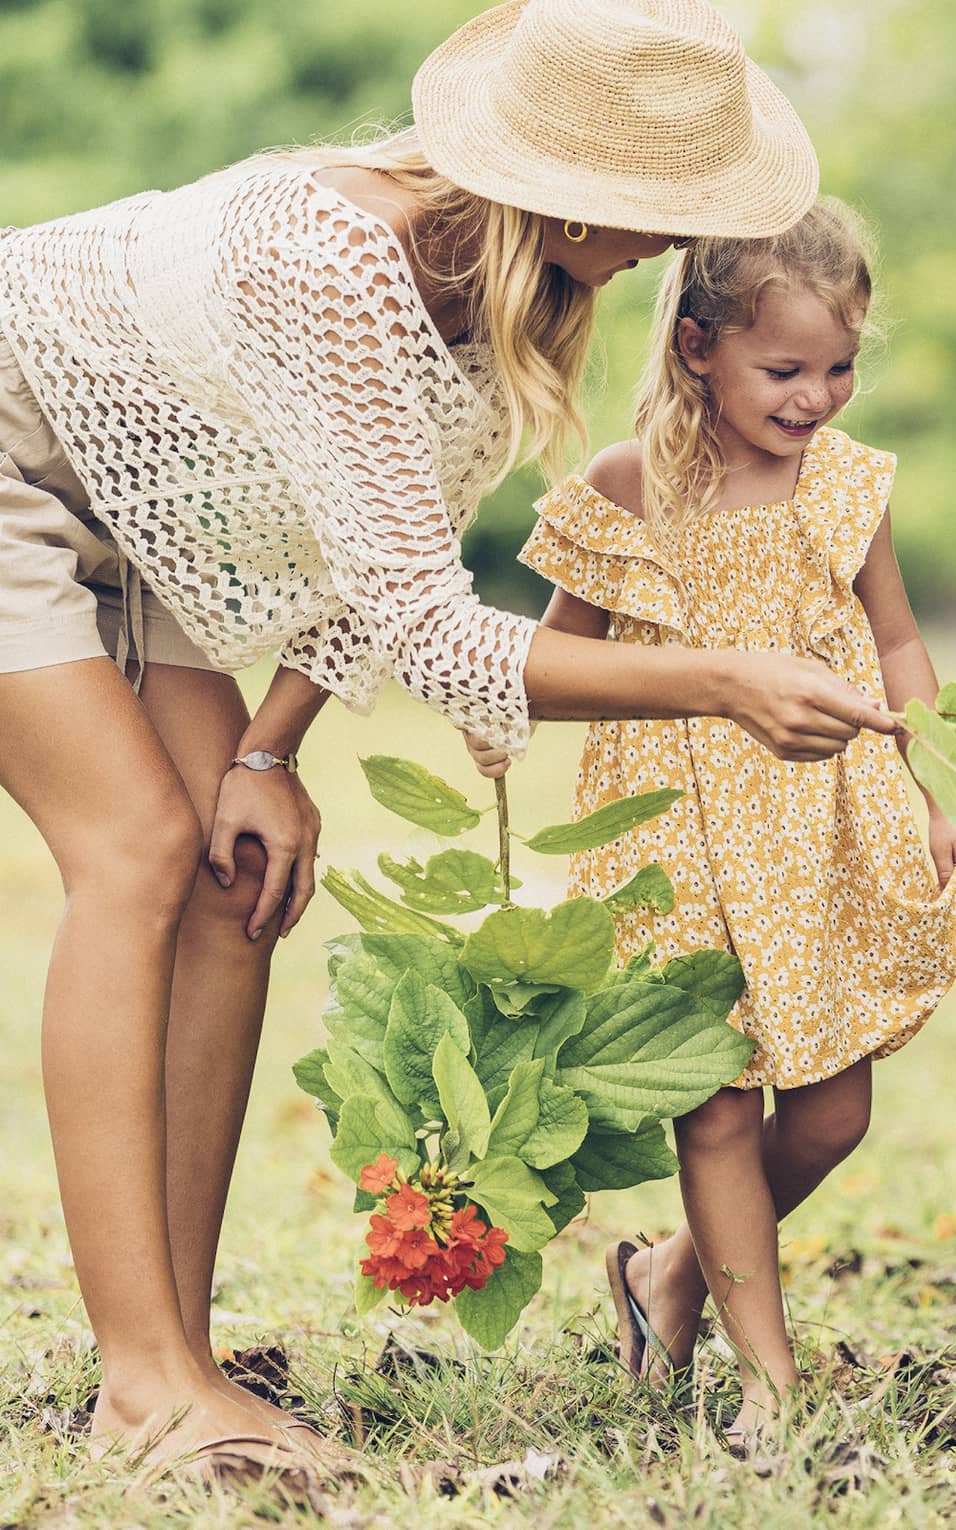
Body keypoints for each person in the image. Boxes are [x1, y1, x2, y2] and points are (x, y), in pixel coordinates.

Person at [0, 0, 895, 1480]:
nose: (668, 251)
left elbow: (376, 573)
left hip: (120, 501)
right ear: (569, 193)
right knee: (140, 847)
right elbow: (433, 629)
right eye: (657, 218)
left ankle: (175, 1349)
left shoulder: (499, 316)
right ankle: (142, 1385)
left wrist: (272, 755)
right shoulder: (336, 258)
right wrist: (715, 676)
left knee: (237, 873)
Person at [465, 200, 956, 1449]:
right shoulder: (627, 484)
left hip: (821, 833)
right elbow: (555, 657)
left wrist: (948, 793)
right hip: (673, 836)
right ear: (699, 344)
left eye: (840, 366)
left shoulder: (846, 483)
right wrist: (495, 715)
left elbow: (900, 641)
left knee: (828, 1114)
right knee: (709, 1102)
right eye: (787, 369)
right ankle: (767, 1379)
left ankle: (666, 1276)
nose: (818, 396)